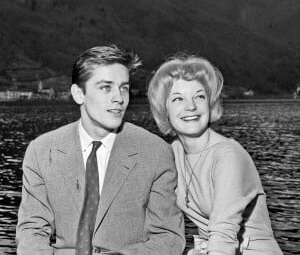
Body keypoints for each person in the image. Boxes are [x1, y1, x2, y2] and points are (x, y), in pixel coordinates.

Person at [16, 45, 185, 255]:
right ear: (79, 94)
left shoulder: (156, 152)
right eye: (106, 87)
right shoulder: (42, 151)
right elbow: (31, 233)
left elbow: (169, 239)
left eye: (124, 87)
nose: (119, 98)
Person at [148, 53, 283, 255]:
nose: (190, 106)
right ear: (164, 110)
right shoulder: (174, 152)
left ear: (210, 104)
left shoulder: (228, 156)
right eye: (178, 99)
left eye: (199, 96)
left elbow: (223, 234)